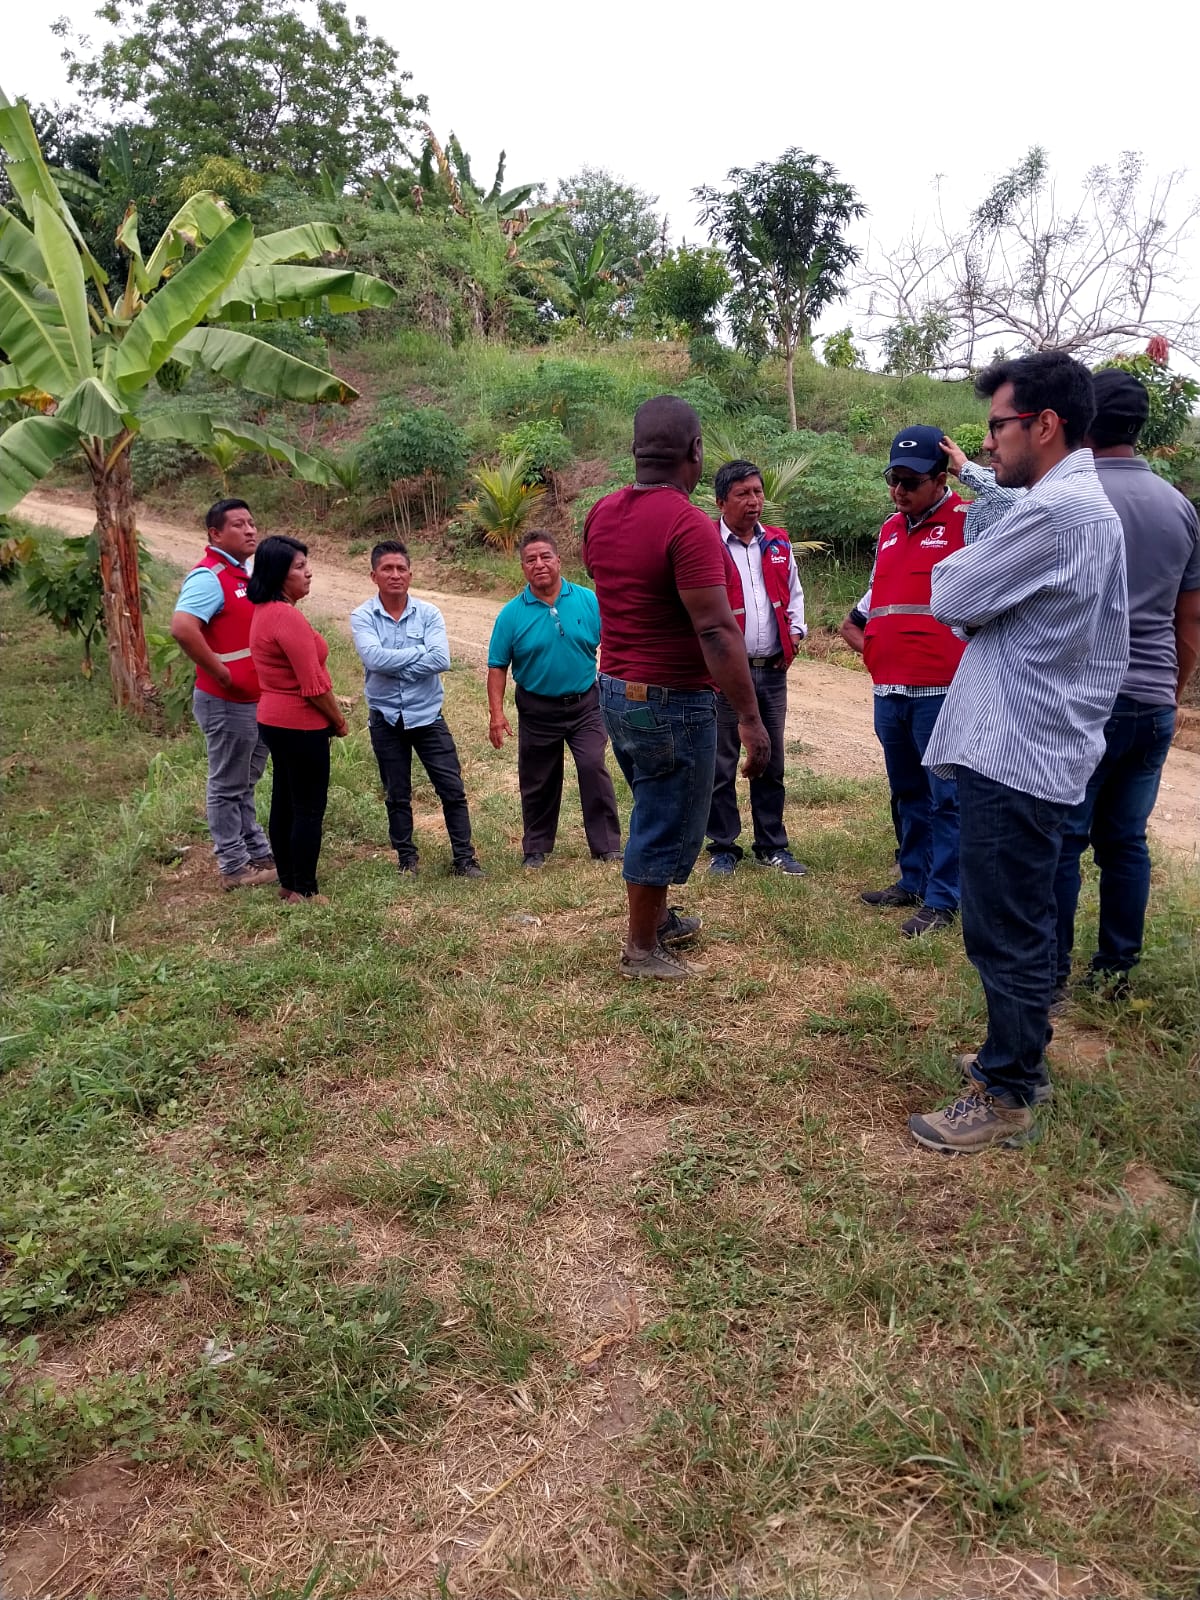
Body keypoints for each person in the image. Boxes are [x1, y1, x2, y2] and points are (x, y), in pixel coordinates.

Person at [910, 353, 1128, 1155]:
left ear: (1045, 425)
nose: (987, 442)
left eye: (998, 425)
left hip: (1016, 747)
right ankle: (1017, 1059)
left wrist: (973, 587)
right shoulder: (1073, 507)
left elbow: (951, 593)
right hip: (1034, 742)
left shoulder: (1059, 512)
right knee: (1020, 915)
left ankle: (1006, 1090)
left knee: (1004, 925)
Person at [582, 396, 770, 980]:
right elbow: (715, 629)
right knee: (665, 816)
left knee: (652, 803)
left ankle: (658, 920)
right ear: (695, 451)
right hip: (670, 699)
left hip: (616, 689)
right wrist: (750, 717)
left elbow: (614, 586)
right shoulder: (687, 524)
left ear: (635, 451)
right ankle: (640, 949)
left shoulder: (601, 512)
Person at [1053, 369, 1200, 998]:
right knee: (1126, 842)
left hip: (1084, 701)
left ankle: (1050, 972)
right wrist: (1170, 689)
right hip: (1153, 699)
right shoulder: (1179, 506)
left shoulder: (1071, 498)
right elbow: (1189, 620)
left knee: (1063, 840)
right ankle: (1115, 971)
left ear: (1082, 420)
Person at [839, 428, 969, 937]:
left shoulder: (969, 520)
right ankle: (913, 878)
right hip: (891, 692)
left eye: (911, 481)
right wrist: (875, 653)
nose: (899, 490)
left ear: (940, 478)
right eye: (893, 479)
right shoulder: (891, 530)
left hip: (943, 693)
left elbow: (1024, 512)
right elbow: (873, 606)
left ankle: (943, 898)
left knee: (947, 798)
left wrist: (970, 470)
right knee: (907, 792)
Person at [486, 531, 621, 868]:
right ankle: (536, 847)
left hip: (586, 703)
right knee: (538, 777)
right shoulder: (511, 614)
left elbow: (616, 643)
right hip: (537, 708)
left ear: (559, 560)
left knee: (593, 765)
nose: (539, 564)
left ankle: (606, 846)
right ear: (523, 567)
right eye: (530, 559)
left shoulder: (588, 601)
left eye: (545, 556)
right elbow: (497, 666)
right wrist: (496, 714)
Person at [350, 540, 484, 879]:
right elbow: (373, 658)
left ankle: (465, 860)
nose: (395, 575)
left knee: (452, 789)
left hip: (427, 715)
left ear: (410, 574)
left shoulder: (429, 613)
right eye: (387, 569)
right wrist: (419, 652)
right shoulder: (363, 616)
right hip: (385, 719)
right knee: (397, 794)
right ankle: (406, 860)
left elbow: (442, 659)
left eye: (401, 569)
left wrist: (394, 665)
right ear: (374, 575)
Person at [705, 460, 808, 877]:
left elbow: (794, 593)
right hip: (724, 675)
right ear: (721, 502)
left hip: (771, 671)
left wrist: (796, 632)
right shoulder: (707, 545)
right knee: (721, 761)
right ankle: (723, 847)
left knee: (771, 758)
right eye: (743, 494)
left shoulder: (777, 543)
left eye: (758, 492)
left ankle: (772, 845)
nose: (754, 501)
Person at [170, 499, 276, 891]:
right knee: (228, 784)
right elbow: (183, 627)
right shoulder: (210, 576)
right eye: (238, 525)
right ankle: (233, 866)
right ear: (215, 534)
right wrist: (221, 672)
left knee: (245, 781)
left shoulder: (241, 575)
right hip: (227, 702)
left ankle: (256, 850)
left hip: (254, 701)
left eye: (251, 522)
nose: (250, 530)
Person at [247, 537, 348, 902]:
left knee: (285, 801)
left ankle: (289, 882)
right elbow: (314, 686)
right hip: (301, 724)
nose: (309, 573)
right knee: (307, 807)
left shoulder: (264, 611)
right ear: (279, 574)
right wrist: (338, 721)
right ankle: (304, 889)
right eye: (299, 567)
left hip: (273, 720)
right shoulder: (286, 616)